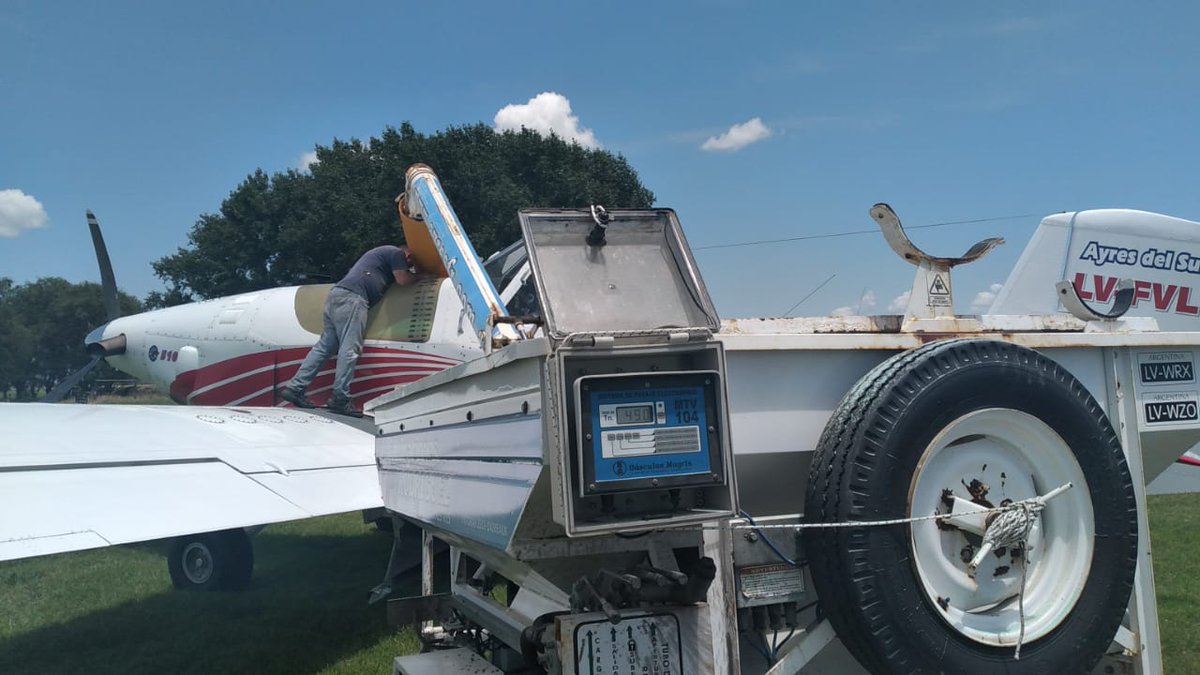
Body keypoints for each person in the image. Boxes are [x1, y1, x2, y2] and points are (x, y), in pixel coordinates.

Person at [279, 245, 423, 416]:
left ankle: (295, 388)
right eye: (409, 263)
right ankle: (340, 398)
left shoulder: (378, 257)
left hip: (336, 295)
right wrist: (422, 275)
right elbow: (402, 279)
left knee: (325, 347)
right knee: (350, 349)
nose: (408, 266)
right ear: (408, 254)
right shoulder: (396, 253)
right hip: (354, 298)